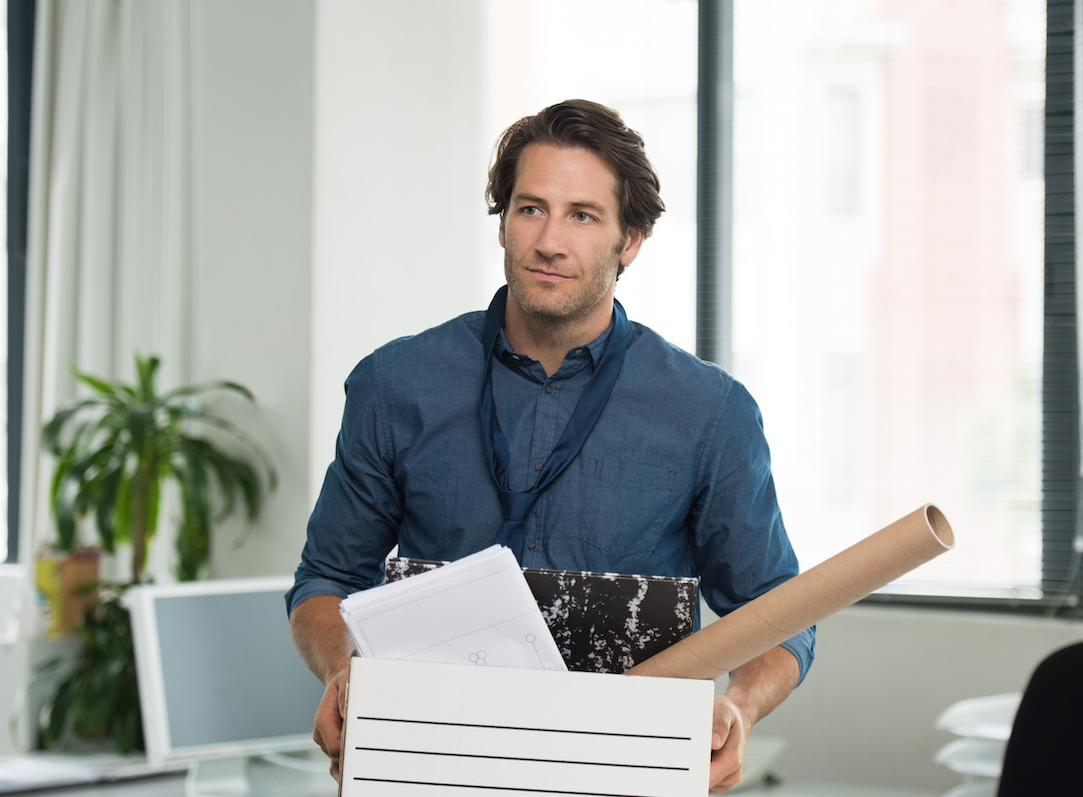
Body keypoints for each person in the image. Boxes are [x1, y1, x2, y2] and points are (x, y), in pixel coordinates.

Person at [286, 99, 816, 793]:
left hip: (622, 772)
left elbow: (781, 616)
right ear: (503, 221)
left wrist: (739, 709)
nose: (549, 242)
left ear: (631, 241)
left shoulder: (711, 411)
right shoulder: (394, 384)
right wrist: (342, 668)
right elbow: (325, 578)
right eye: (530, 208)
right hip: (430, 763)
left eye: (583, 215)